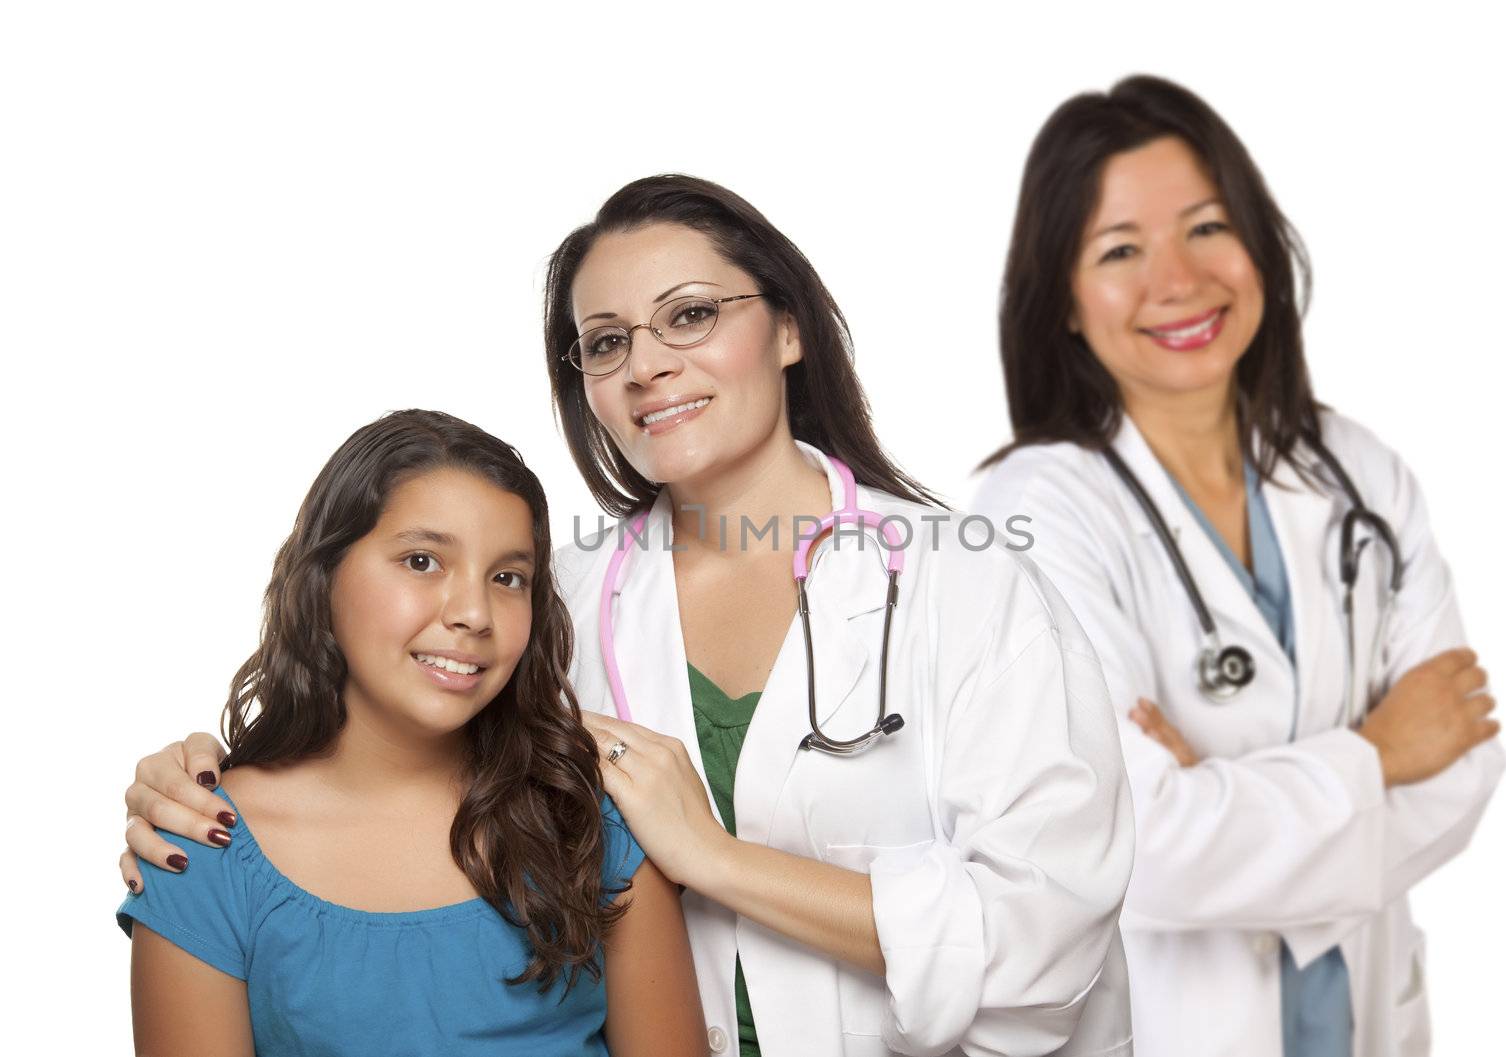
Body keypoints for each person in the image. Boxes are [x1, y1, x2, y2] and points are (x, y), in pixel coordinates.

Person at [116, 177, 1137, 1057]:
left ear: (788, 329)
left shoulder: (964, 587)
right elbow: (371, 753)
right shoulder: (539, 601)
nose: (646, 364)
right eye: (606, 342)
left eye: (690, 315)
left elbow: (1048, 928)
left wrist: (715, 858)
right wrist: (199, 773)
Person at [971, 76, 1506, 1057]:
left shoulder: (1355, 471)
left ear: (1259, 241)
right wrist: (1377, 755)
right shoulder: (1032, 514)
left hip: (1362, 1022)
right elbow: (1129, 848)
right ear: (1061, 302)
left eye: (1207, 227)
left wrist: (1222, 805)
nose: (1177, 280)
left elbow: (1465, 765)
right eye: (1120, 250)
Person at [116, 410, 704, 1057]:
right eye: (422, 561)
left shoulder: (591, 819)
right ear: (325, 576)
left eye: (508, 577)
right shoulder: (205, 845)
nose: (474, 613)